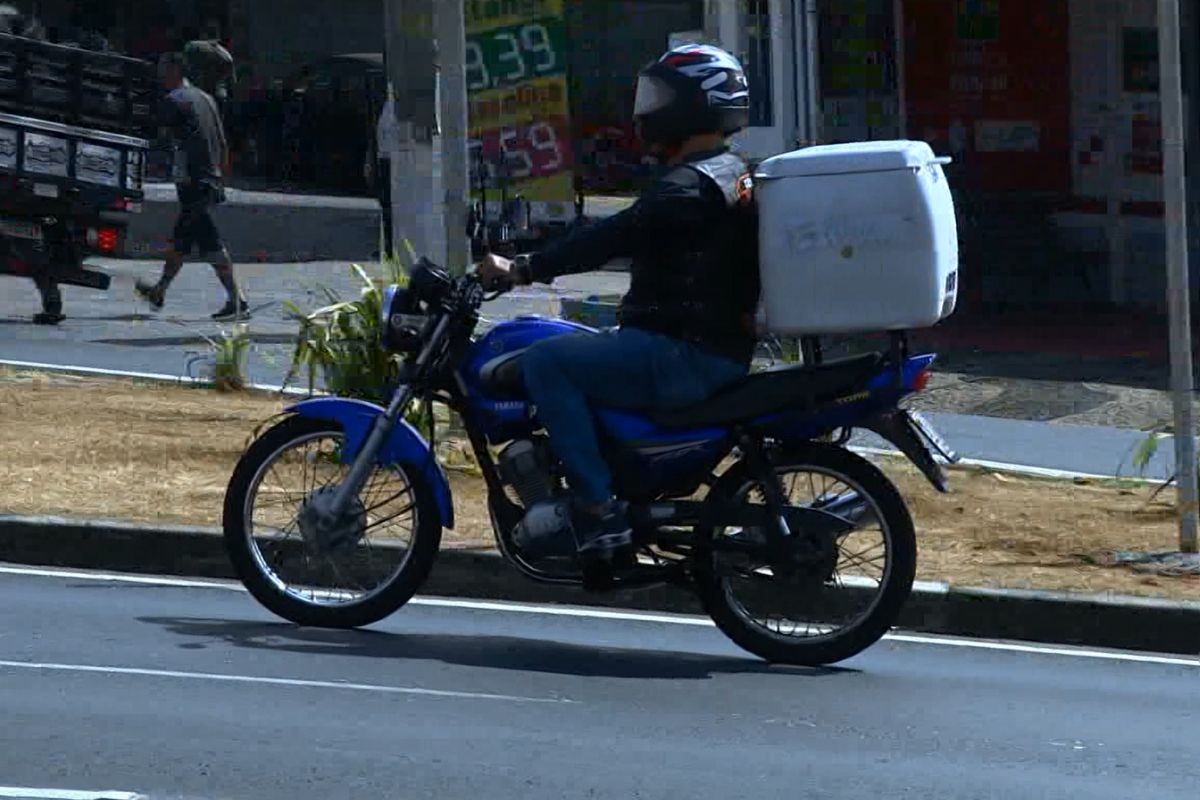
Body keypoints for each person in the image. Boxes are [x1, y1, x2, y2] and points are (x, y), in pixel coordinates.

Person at [477, 44, 760, 562]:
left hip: (684, 353)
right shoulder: (723, 171)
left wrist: (523, 269)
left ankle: (596, 508)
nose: (646, 110)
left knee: (546, 361)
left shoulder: (688, 187)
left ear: (696, 103)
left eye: (660, 97)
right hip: (702, 344)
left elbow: (612, 235)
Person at [136, 52, 248, 321]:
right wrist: (220, 175)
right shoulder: (205, 99)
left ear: (175, 70)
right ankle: (161, 290)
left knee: (200, 240)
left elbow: (162, 140)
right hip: (207, 178)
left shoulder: (174, 101)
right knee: (191, 239)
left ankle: (236, 300)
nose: (160, 75)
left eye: (164, 69)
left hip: (192, 181)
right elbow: (222, 142)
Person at [366, 84, 399, 260]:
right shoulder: (389, 106)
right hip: (385, 160)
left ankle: (392, 246)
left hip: (395, 162)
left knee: (392, 207)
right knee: (386, 206)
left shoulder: (398, 107)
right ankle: (388, 245)